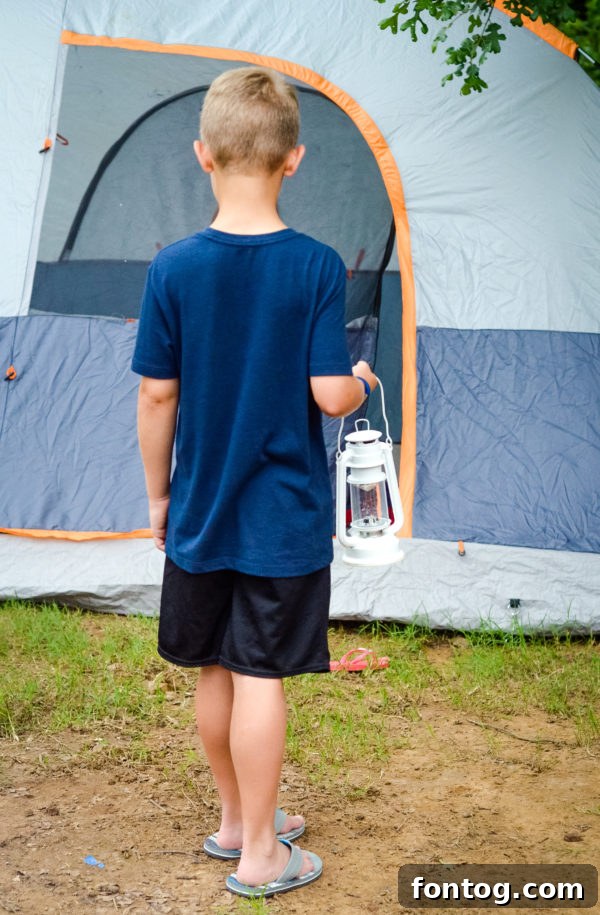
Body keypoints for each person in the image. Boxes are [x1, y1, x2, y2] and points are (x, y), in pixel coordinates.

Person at [132, 65, 378, 899]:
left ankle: (238, 819)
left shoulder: (172, 267)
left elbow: (157, 392)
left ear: (203, 154)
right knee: (260, 673)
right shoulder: (312, 266)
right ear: (295, 159)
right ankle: (261, 856)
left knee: (213, 666)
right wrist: (364, 380)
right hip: (280, 515)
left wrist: (161, 496)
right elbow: (327, 392)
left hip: (200, 505)